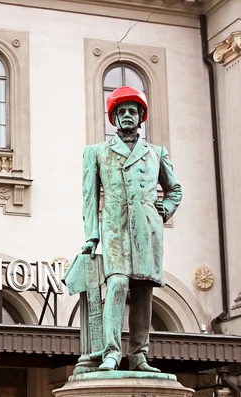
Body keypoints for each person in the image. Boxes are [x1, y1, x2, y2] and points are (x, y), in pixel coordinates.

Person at [81, 86, 183, 372]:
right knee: (116, 284)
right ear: (113, 118)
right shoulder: (97, 153)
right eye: (121, 111)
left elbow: (174, 189)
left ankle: (139, 355)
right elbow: (89, 199)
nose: (127, 116)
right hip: (114, 229)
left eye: (133, 111)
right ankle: (112, 352)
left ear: (141, 117)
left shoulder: (156, 153)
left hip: (147, 232)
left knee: (143, 292)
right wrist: (92, 236)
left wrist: (163, 209)